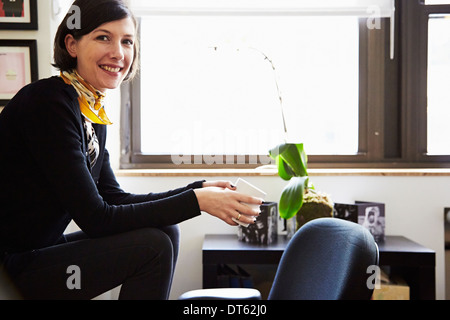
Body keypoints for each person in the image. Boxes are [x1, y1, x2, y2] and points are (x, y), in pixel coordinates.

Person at [0, 0, 262, 300]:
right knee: (153, 246)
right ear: (72, 44)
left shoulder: (89, 109)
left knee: (166, 230)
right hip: (10, 265)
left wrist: (197, 189)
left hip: (37, 251)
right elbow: (97, 218)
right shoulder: (48, 102)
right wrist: (197, 201)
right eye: (103, 37)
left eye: (127, 41)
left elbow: (115, 198)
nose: (118, 53)